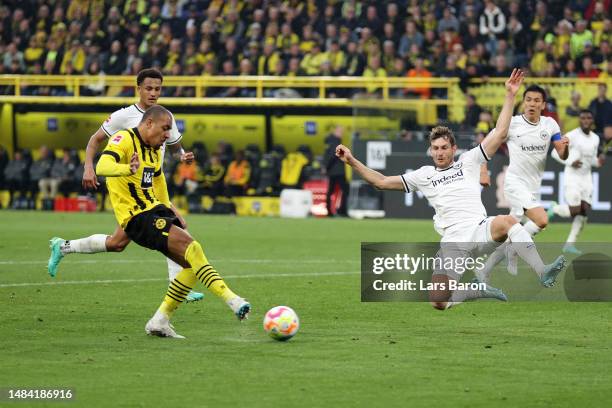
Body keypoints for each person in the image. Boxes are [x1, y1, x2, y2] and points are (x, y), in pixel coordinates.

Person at [335, 70, 567, 310]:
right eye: (435, 148)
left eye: (444, 147)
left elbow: (499, 133)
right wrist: (352, 161)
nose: (439, 152)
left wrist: (510, 95)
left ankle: (542, 270)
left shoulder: (469, 161)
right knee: (438, 301)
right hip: (453, 243)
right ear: (431, 150)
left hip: (479, 230)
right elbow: (381, 181)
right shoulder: (424, 175)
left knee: (509, 221)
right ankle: (477, 290)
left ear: (453, 148)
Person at [47, 68, 204, 303]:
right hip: (127, 185)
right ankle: (179, 284)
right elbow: (94, 141)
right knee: (168, 227)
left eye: (157, 89)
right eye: (148, 88)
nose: (153, 93)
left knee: (123, 241)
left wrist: (181, 155)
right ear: (138, 88)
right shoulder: (124, 116)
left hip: (152, 182)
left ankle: (63, 247)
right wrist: (89, 167)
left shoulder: (164, 116)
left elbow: (172, 146)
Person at [94, 105, 250, 338]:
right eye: (164, 129)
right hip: (136, 217)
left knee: (190, 266)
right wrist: (128, 167)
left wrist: (169, 210)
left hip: (153, 211)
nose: (168, 135)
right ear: (148, 124)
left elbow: (158, 180)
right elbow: (102, 166)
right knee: (193, 248)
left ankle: (160, 321)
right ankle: (232, 300)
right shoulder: (124, 138)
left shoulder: (155, 149)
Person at [476, 84, 570, 280]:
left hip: (532, 188)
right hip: (514, 183)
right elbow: (486, 145)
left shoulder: (550, 125)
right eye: (528, 100)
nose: (532, 104)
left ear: (543, 104)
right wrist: (483, 169)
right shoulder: (512, 124)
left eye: (537, 101)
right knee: (542, 219)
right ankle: (541, 270)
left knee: (511, 230)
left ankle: (484, 270)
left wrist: (565, 147)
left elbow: (562, 153)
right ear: (523, 103)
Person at [548, 110, 605, 254]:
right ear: (580, 120)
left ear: (592, 121)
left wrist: (598, 163)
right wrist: (570, 161)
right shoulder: (572, 135)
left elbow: (590, 159)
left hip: (587, 178)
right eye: (583, 118)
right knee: (574, 211)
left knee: (584, 211)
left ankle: (569, 244)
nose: (586, 120)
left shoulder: (595, 139)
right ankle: (553, 208)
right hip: (572, 177)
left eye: (589, 118)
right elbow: (555, 153)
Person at [323, 125, 349, 217]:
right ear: (336, 131)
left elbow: (328, 156)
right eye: (340, 132)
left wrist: (326, 167)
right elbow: (335, 155)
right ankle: (342, 211)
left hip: (332, 171)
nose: (342, 134)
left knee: (330, 191)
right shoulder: (336, 142)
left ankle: (329, 211)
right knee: (345, 190)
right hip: (338, 171)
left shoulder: (329, 142)